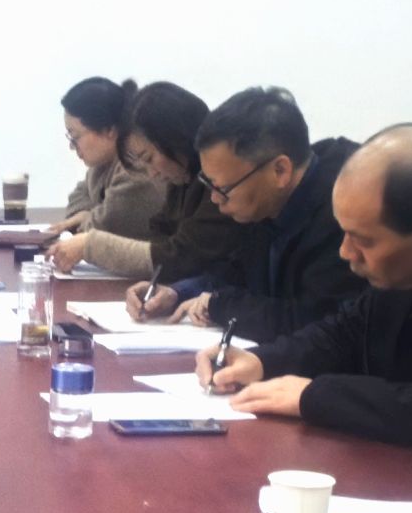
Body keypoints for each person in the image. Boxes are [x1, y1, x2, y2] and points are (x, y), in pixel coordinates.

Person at [193, 124, 412, 466]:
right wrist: (263, 361)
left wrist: (315, 396)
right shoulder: (399, 278)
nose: (345, 252)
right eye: (343, 233)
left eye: (363, 240)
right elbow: (344, 332)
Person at [130, 86, 364, 340]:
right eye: (209, 185)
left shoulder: (345, 213)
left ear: (280, 171)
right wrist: (178, 292)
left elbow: (312, 320)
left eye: (222, 188)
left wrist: (219, 305)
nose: (214, 199)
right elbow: (237, 271)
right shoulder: (262, 203)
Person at [52, 81, 247, 284]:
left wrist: (91, 245)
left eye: (149, 158)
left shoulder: (218, 185)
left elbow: (182, 256)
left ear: (175, 139)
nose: (151, 173)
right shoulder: (181, 178)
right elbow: (159, 235)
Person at [41, 78, 166, 269]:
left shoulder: (136, 169)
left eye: (75, 137)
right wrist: (87, 214)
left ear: (109, 130)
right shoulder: (103, 165)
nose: (71, 147)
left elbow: (95, 230)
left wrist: (87, 217)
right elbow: (77, 196)